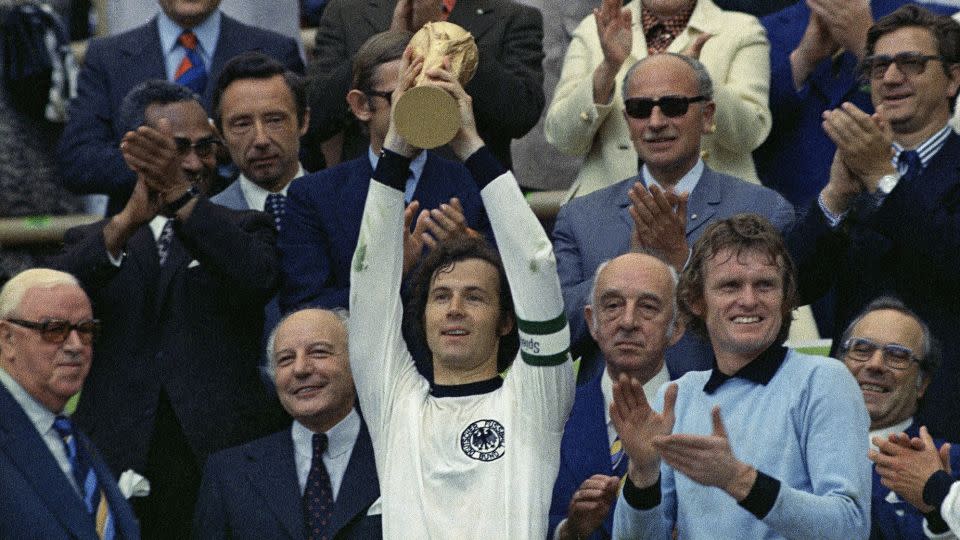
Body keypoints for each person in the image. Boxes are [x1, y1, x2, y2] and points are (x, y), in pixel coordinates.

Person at [47, 80, 288, 538]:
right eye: (177, 149)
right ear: (135, 154)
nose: (195, 163)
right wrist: (122, 226)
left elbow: (256, 277)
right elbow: (53, 297)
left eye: (205, 147)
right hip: (117, 455)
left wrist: (181, 198)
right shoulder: (94, 240)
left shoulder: (244, 226)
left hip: (220, 459)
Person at [348, 50, 573, 537]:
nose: (453, 308)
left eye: (474, 296)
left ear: (506, 321)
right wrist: (395, 151)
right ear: (421, 313)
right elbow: (369, 283)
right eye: (440, 295)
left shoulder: (534, 400)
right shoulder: (395, 404)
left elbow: (535, 264)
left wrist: (471, 143)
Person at [611, 214, 871, 539]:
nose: (749, 300)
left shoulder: (824, 380)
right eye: (730, 285)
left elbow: (850, 527)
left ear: (785, 297)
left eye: (765, 284)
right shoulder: (679, 394)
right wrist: (643, 473)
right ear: (696, 300)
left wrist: (738, 479)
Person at [554, 52, 793, 376]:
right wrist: (623, 269)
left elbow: (771, 329)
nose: (655, 122)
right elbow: (554, 337)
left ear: (707, 115)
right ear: (627, 122)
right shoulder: (582, 216)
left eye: (673, 106)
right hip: (615, 412)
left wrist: (684, 261)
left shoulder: (764, 209)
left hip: (725, 412)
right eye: (640, 109)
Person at [789, 4, 960, 441]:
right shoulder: (853, 165)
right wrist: (834, 199)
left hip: (949, 415)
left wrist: (884, 179)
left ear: (953, 80)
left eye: (912, 64)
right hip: (850, 418)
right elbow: (796, 286)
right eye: (879, 65)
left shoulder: (872, 165)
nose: (891, 77)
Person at [280, 30, 492, 313]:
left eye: (430, 91)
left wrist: (468, 251)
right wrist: (386, 278)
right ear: (361, 106)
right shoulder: (314, 196)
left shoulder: (474, 183)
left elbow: (517, 285)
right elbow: (305, 308)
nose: (422, 106)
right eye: (403, 95)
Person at [58, 0, 303, 216]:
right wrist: (163, 160)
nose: (192, 162)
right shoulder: (108, 57)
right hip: (142, 245)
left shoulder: (275, 51)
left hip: (250, 232)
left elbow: (305, 149)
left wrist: (233, 148)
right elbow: (78, 162)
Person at [545, 0, 771, 199]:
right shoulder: (595, 29)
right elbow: (563, 139)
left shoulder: (741, 30)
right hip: (607, 209)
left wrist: (699, 78)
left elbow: (750, 135)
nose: (656, 123)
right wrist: (608, 68)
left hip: (717, 213)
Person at [194, 308, 380, 539]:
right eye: (286, 359)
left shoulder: (399, 456)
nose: (300, 369)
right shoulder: (227, 474)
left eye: (319, 352)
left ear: (357, 363)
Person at [755, 0, 954, 208]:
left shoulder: (941, 21)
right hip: (790, 215)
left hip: (910, 210)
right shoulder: (763, 29)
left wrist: (869, 48)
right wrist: (802, 61)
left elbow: (948, 111)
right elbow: (748, 136)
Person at [306, 0, 544, 169]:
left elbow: (521, 114)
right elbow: (314, 116)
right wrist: (389, 43)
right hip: (372, 188)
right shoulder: (346, 12)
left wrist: (446, 39)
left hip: (468, 196)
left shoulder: (513, 18)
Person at [549, 252, 683, 540]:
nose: (628, 321)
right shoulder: (553, 413)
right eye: (612, 305)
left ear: (677, 327)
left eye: (647, 307)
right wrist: (569, 531)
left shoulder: (703, 414)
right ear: (592, 322)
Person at [0, 268, 140, 538]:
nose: (76, 345)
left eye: (86, 330)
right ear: (7, 340)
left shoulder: (73, 438)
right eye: (54, 330)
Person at [209, 51, 309, 351]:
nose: (261, 138)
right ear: (220, 135)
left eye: (275, 119)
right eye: (241, 124)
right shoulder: (209, 221)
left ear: (303, 121)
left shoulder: (346, 203)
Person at [837, 297, 960, 538]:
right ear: (838, 364)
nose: (875, 364)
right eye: (862, 350)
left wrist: (935, 494)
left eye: (897, 356)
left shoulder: (949, 463)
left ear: (922, 383)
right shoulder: (794, 451)